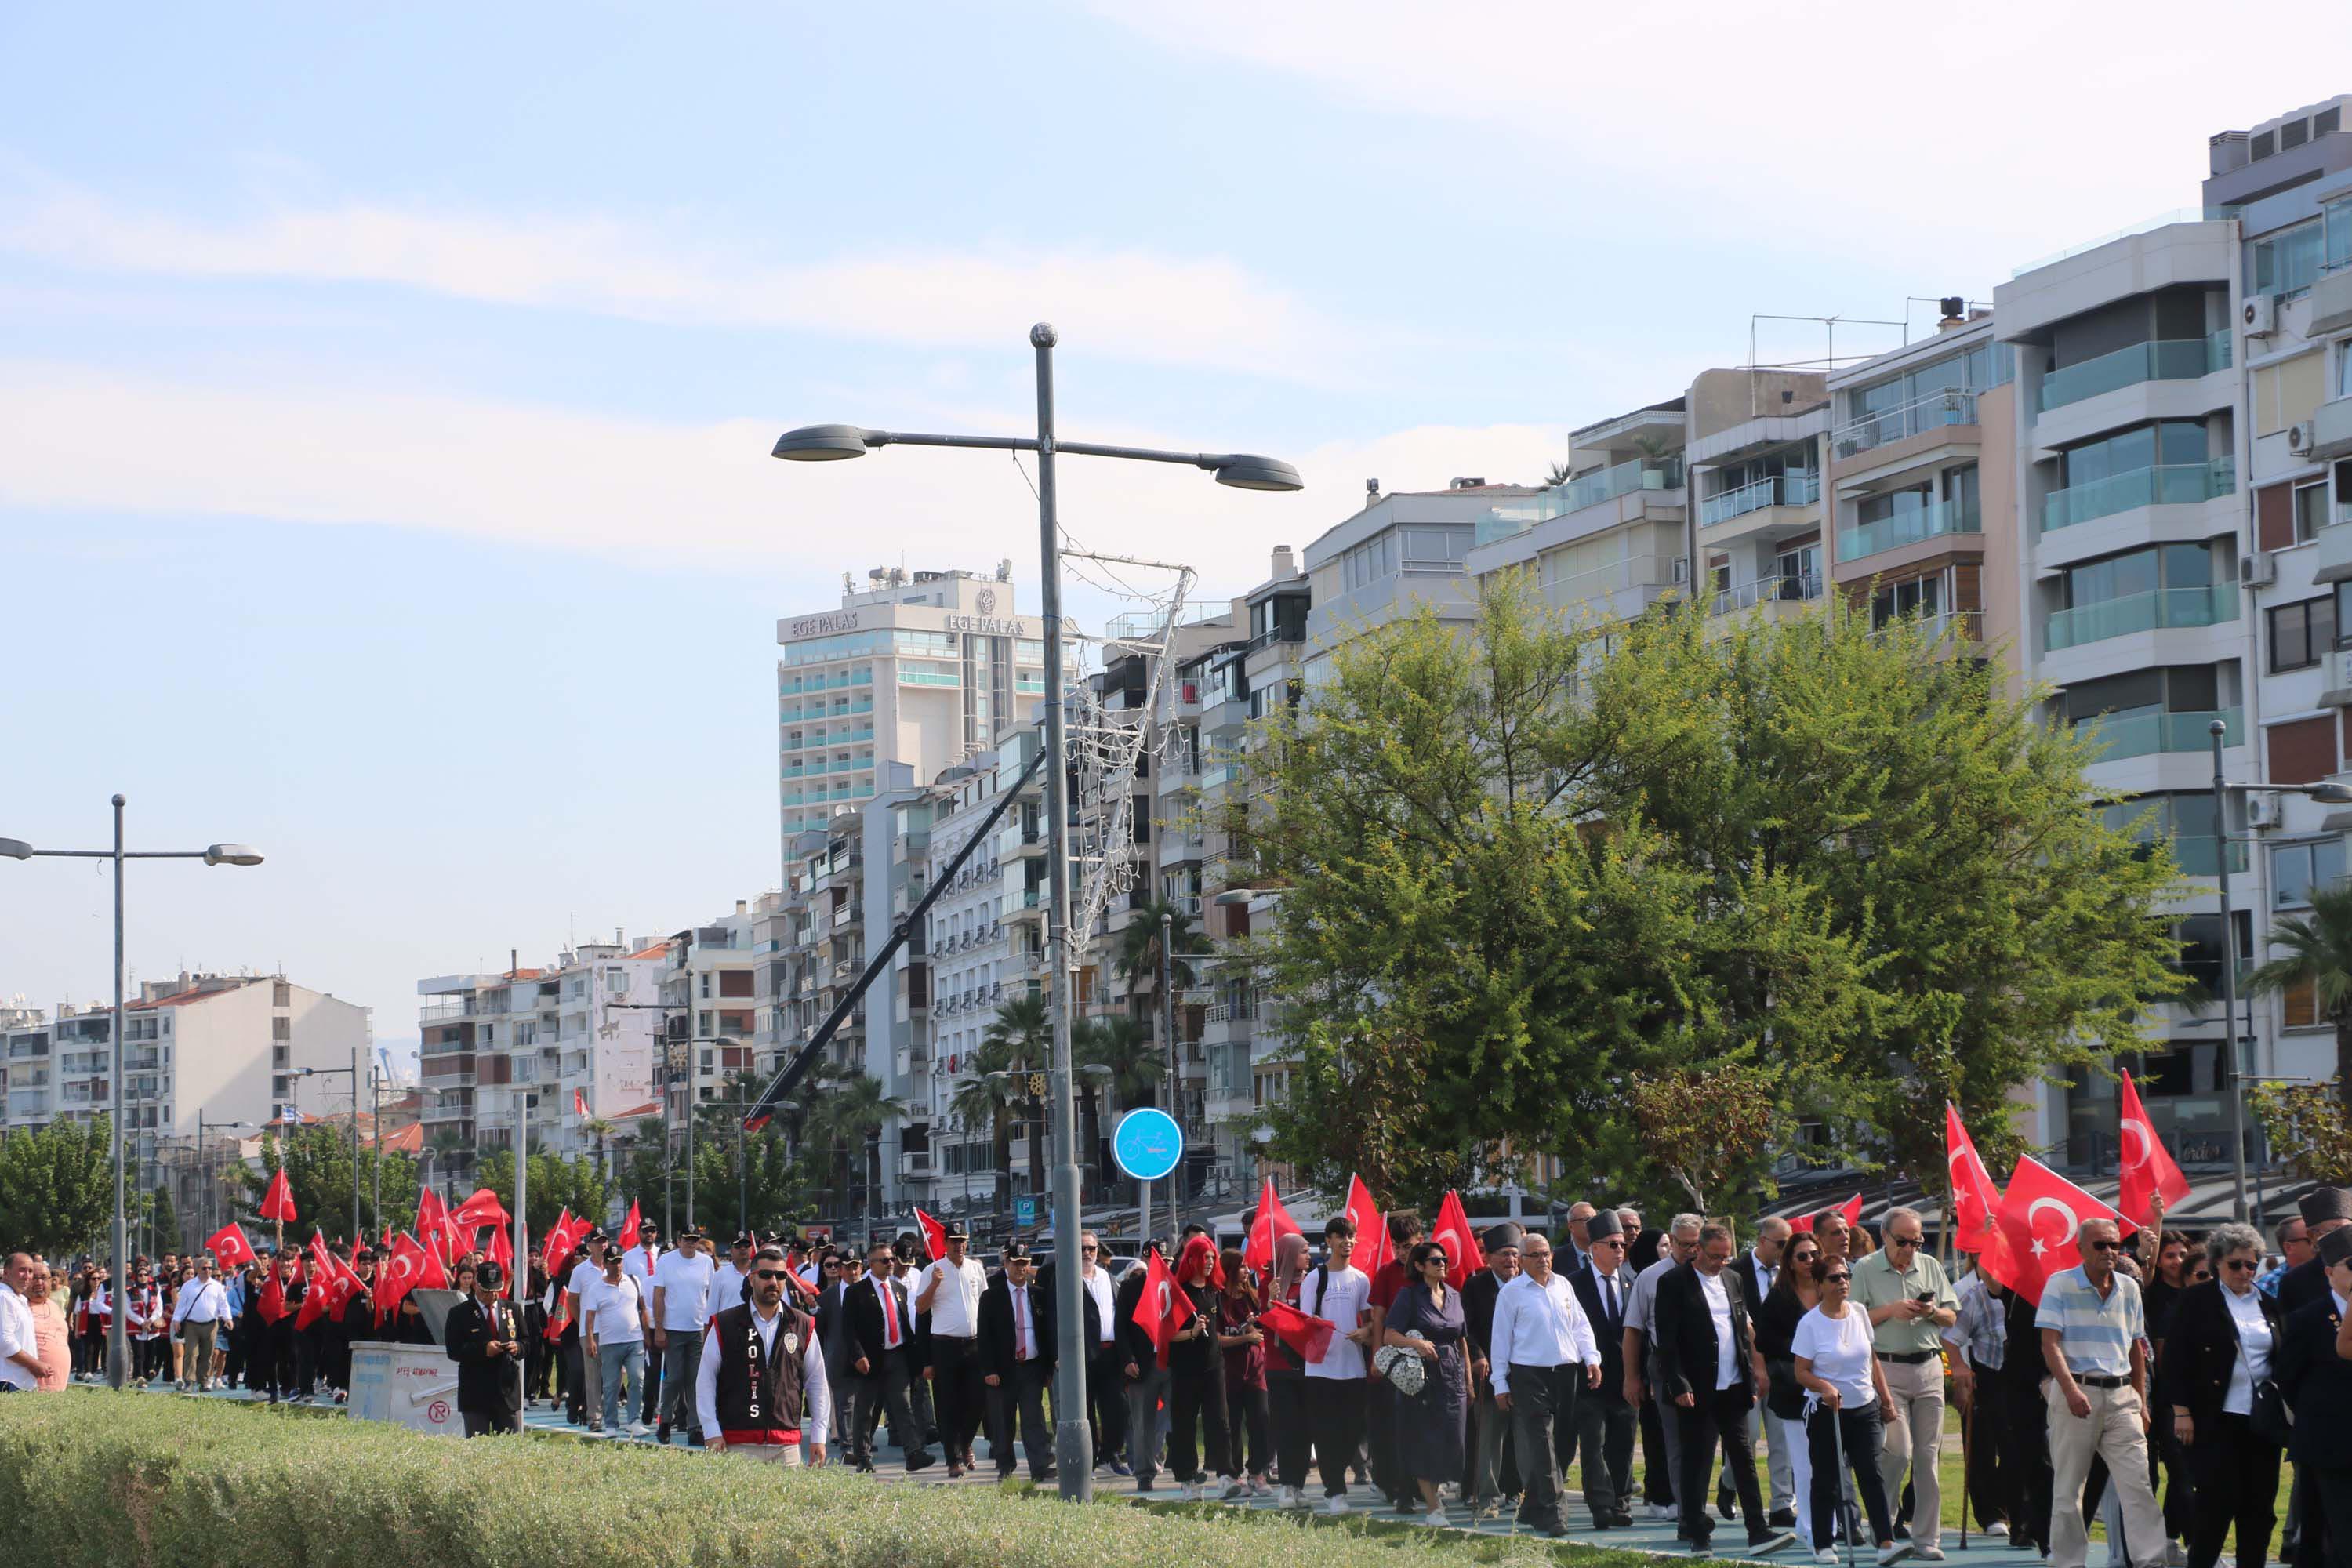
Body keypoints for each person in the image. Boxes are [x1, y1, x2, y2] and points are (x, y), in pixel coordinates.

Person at [1656, 1221, 1791, 1556]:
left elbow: (1742, 1330)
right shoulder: (1673, 1283)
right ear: (1697, 1250)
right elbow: (1667, 1341)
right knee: (1697, 1460)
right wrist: (1677, 1383)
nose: (1720, 1263)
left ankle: (1757, 1530)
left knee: (1744, 1458)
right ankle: (1697, 1532)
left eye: (1726, 1257)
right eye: (1714, 1256)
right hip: (1696, 1388)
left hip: (1732, 1384)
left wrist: (1753, 1374)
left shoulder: (1733, 1279)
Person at [2040, 1217, 2166, 1568]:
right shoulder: (2059, 1284)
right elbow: (2050, 1344)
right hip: (2076, 1392)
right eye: (2100, 1245)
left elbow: (2135, 1348)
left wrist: (2140, 1400)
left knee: (2138, 1484)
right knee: (2069, 1489)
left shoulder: (2129, 1287)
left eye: (2115, 1245)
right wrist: (2070, 1391)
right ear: (2080, 1249)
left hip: (2122, 1396)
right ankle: (2067, 1562)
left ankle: (2151, 1561)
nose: (2110, 1252)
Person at [2156, 1222, 2280, 1568]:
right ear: (2217, 1265)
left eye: (2251, 1264)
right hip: (2214, 1419)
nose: (2244, 1271)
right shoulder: (2197, 1300)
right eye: (2235, 1264)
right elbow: (2177, 1358)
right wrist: (2181, 1411)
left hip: (2261, 1422)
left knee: (2259, 1508)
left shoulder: (2269, 1304)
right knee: (2215, 1505)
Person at [1848, 1206, 1958, 1560]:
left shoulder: (1931, 1266)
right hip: (1886, 1369)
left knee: (1927, 1459)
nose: (1911, 1248)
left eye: (1917, 1241)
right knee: (1898, 1452)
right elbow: (1852, 1318)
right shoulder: (1865, 1269)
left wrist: (1931, 1312)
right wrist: (1889, 1311)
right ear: (1884, 1237)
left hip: (1928, 1368)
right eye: (1903, 1241)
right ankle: (1885, 1528)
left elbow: (1951, 1316)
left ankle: (1927, 1539)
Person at [1795, 1252, 1909, 1566]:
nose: (1843, 1282)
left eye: (1846, 1276)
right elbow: (1801, 1371)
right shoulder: (1810, 1324)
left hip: (1864, 1407)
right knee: (1827, 1479)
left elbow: (1871, 1360)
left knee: (1871, 1473)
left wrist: (1885, 1399)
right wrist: (1825, 1387)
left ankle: (1885, 1542)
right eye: (1835, 1278)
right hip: (1827, 1411)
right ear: (1819, 1285)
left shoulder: (1859, 1312)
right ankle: (1822, 1544)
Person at [1490, 1229, 1602, 1536]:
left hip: (1567, 1372)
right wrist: (1500, 1382)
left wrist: (1591, 1359)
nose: (1543, 1260)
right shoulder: (1511, 1293)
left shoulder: (1563, 1285)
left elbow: (1580, 1326)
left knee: (1564, 1444)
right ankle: (1555, 1515)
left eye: (1546, 1254)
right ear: (1523, 1260)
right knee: (1542, 1444)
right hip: (1529, 1375)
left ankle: (1532, 1506)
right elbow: (1500, 1340)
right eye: (1535, 1255)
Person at [695, 1242, 829, 1467]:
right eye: (766, 1275)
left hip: (787, 1445)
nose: (773, 1282)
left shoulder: (802, 1324)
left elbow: (817, 1382)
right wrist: (711, 1430)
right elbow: (706, 1380)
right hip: (737, 1443)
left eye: (780, 1276)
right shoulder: (725, 1324)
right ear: (751, 1279)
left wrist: (818, 1436)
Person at [1384, 1238, 1474, 1528]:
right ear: (1420, 1266)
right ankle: (1433, 1507)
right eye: (1436, 1261)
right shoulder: (1408, 1296)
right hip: (1421, 1377)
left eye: (1445, 1260)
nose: (1442, 1264)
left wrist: (1469, 1380)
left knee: (1452, 1440)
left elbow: (1462, 1340)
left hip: (1453, 1376)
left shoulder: (1455, 1296)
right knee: (1426, 1440)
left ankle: (1436, 1495)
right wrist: (1417, 1343)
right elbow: (1389, 1335)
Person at [2278, 1227, 2352, 1568]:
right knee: (2325, 1531)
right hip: (2326, 1441)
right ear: (2329, 1272)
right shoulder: (2307, 1318)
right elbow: (2288, 1378)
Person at [1625, 1214, 1704, 1526]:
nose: (1690, 1250)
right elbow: (1633, 1329)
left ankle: (1710, 1493)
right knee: (1675, 1439)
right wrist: (1632, 1377)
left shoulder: (1715, 1273)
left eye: (1696, 1244)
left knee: (1711, 1439)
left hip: (1709, 1365)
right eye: (1683, 1244)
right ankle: (1684, 1507)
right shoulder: (1651, 1277)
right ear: (1671, 1242)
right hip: (1665, 1364)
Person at [1302, 1214, 1374, 1515]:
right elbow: (1303, 1322)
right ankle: (1335, 1491)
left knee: (1353, 1430)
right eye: (1340, 1237)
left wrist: (1366, 1333)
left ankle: (1338, 1480)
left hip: (1353, 1368)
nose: (1347, 1242)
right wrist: (1316, 1324)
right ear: (1329, 1241)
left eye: (1351, 1237)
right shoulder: (1315, 1278)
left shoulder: (1361, 1279)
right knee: (1326, 1431)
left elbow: (1371, 1323)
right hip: (1321, 1368)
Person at [1757, 1232, 1826, 1546]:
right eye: (1803, 1256)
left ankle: (1827, 1525)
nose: (1810, 1261)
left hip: (1828, 1390)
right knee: (1803, 1463)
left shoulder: (1832, 1291)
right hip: (1792, 1390)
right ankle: (1811, 1529)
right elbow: (1763, 1340)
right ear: (1790, 1262)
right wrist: (1804, 1351)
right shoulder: (1780, 1296)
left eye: (1814, 1254)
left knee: (1828, 1464)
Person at [1570, 1211, 1638, 1528]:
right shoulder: (1574, 1284)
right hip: (1590, 1380)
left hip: (1626, 1378)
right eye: (1612, 1244)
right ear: (1594, 1248)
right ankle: (1600, 1504)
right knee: (1594, 1444)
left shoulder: (1632, 1281)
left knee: (1623, 1443)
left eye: (1622, 1244)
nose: (1619, 1250)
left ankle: (1621, 1501)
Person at [845, 1234, 931, 1473]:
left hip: (897, 1357)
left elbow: (904, 1324)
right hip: (870, 1359)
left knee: (903, 1406)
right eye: (884, 1260)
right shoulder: (856, 1292)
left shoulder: (899, 1288)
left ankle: (913, 1453)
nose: (891, 1263)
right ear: (870, 1264)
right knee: (866, 1409)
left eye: (892, 1259)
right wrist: (858, 1356)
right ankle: (863, 1457)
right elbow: (849, 1329)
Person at [1731, 1218, 1797, 1526]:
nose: (1786, 1251)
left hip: (1783, 1365)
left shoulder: (1794, 1274)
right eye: (1780, 1244)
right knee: (1748, 1436)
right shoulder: (1733, 1272)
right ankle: (1728, 1482)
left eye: (1789, 1244)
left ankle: (1782, 1503)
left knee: (1782, 1438)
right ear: (1761, 1241)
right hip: (1744, 1367)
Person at [975, 1241, 1058, 1484]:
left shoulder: (1039, 1295)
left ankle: (1040, 1466)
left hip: (1032, 1368)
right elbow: (984, 1336)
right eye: (1015, 1263)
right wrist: (989, 1369)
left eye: (1024, 1263)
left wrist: (1047, 1367)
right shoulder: (992, 1296)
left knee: (1033, 1420)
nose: (1020, 1268)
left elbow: (1045, 1333)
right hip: (1003, 1370)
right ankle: (1005, 1466)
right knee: (1003, 1422)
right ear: (1006, 1264)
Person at [1945, 1261, 2015, 1539]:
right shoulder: (1972, 1294)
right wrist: (1959, 1368)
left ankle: (2018, 1514)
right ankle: (1992, 1514)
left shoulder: (2030, 1293)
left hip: (2021, 1378)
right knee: (1982, 1449)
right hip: (1987, 1376)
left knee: (2018, 1450)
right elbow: (1951, 1336)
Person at [1162, 1235, 1234, 1499]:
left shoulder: (1214, 1291)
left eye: (1213, 1258)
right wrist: (1191, 1332)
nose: (1210, 1262)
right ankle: (1188, 1479)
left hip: (1214, 1366)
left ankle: (1226, 1474)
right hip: (1185, 1369)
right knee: (1185, 1424)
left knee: (1220, 1421)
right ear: (1192, 1259)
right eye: (1205, 1257)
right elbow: (1167, 1334)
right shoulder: (1178, 1293)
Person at [916, 1219, 988, 1479]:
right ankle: (952, 1459)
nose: (959, 1246)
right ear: (945, 1243)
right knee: (947, 1405)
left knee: (978, 1401)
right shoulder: (933, 1270)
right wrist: (935, 1283)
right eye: (954, 1242)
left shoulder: (975, 1269)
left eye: (963, 1241)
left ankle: (966, 1442)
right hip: (944, 1345)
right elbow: (921, 1308)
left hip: (974, 1344)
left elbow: (985, 1304)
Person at [1364, 1210, 1423, 1514]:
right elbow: (1378, 1317)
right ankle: (1399, 1488)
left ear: (1421, 1242)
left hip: (1426, 1361)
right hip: (1395, 1362)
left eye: (1408, 1247)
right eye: (1397, 1247)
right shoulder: (1387, 1272)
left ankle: (1422, 1485)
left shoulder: (1431, 1270)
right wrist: (1377, 1357)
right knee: (1395, 1429)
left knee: (1423, 1429)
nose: (1402, 1253)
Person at [1465, 1221, 1525, 1518]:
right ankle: (1488, 1496)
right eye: (1504, 1254)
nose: (1510, 1261)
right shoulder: (1475, 1286)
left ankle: (1518, 1492)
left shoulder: (1529, 1284)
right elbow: (1467, 1327)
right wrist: (1477, 1355)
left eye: (1515, 1254)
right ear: (1488, 1258)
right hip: (1489, 1374)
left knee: (1522, 1437)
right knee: (1490, 1437)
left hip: (1525, 1373)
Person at [1261, 1230, 1316, 1508]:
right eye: (1304, 1251)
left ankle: (1298, 1485)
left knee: (1305, 1428)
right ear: (1290, 1255)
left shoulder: (1312, 1283)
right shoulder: (1269, 1285)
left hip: (1307, 1365)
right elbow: (1266, 1323)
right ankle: (1285, 1486)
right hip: (1278, 1366)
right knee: (1286, 1427)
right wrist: (1271, 1301)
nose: (1309, 1256)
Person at [444, 1259, 524, 1436]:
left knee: (509, 1449)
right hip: (475, 1392)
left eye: (497, 1290)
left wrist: (517, 1347)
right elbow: (454, 1350)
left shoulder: (513, 1309)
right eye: (487, 1291)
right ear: (476, 1285)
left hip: (506, 1392)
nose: (493, 1296)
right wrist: (483, 1350)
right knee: (477, 1446)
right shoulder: (459, 1313)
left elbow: (528, 1342)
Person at [581, 1242, 650, 1438]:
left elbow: (643, 1308)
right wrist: (590, 1340)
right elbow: (590, 1316)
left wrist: (647, 1333)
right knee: (611, 1384)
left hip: (634, 1340)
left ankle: (634, 1421)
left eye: (619, 1261)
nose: (617, 1265)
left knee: (637, 1378)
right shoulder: (597, 1287)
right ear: (605, 1263)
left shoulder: (634, 1281)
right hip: (609, 1343)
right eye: (612, 1262)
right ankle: (611, 1423)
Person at [1074, 1230, 1128, 1474]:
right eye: (1083, 1248)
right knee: (1085, 1411)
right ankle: (1089, 1460)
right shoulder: (1068, 1279)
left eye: (1091, 1249)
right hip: (1082, 1356)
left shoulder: (1107, 1277)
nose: (1087, 1253)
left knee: (1117, 1407)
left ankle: (1110, 1455)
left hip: (1110, 1354)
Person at [2281, 1189, 2352, 1316]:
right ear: (2312, 1237)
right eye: (2335, 1231)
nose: (2343, 1237)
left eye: (2348, 1229)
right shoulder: (2295, 1281)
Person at [170, 1254, 233, 1392]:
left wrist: (228, 1318)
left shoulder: (217, 1286)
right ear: (198, 1269)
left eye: (210, 1268)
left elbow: (223, 1304)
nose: (208, 1271)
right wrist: (177, 1320)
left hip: (211, 1324)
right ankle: (189, 1381)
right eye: (204, 1268)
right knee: (191, 1354)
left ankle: (203, 1381)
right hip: (192, 1324)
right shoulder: (188, 1286)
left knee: (207, 1354)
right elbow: (181, 1305)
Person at [0, 1252, 46, 1392]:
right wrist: (34, 1365)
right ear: (6, 1273)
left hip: (20, 1382)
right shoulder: (3, 1298)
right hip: (9, 1381)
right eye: (22, 1270)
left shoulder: (19, 1299)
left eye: (30, 1271)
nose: (27, 1276)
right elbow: (4, 1341)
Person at [2258, 1215, 2310, 1301]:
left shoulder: (2333, 1276)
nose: (2318, 1243)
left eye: (2319, 1236)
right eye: (2310, 1239)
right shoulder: (2268, 1287)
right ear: (2288, 1247)